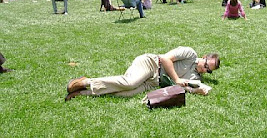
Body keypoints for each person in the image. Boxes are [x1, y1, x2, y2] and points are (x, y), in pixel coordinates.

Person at [65, 46, 220, 101]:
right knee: (129, 83)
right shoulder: (190, 53)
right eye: (206, 65)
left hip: (154, 83)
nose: (204, 69)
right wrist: (177, 79)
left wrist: (197, 89)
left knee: (125, 94)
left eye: (208, 70)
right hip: (151, 64)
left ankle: (83, 93)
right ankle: (85, 82)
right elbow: (165, 58)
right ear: (204, 57)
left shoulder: (196, 77)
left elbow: (184, 87)